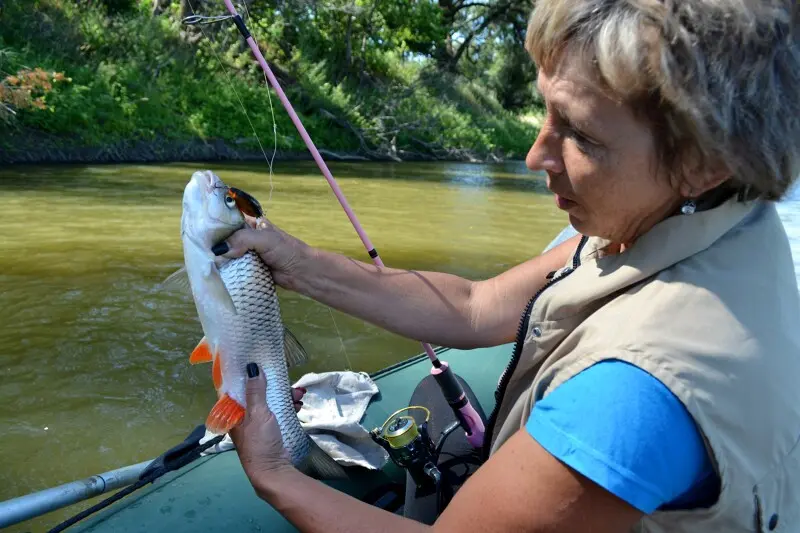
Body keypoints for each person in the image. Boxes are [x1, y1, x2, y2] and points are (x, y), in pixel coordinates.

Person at [213, 1, 800, 531]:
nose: (535, 155)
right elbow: (478, 308)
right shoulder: (695, 218)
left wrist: (274, 475)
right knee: (435, 394)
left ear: (705, 162)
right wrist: (298, 263)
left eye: (581, 135)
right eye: (545, 110)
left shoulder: (639, 394)